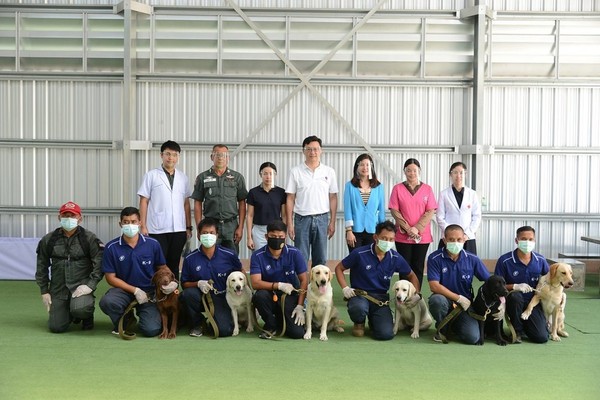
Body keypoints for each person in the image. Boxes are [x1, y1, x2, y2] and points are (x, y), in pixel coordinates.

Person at [335, 220, 421, 340]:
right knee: (358, 308)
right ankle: (359, 323)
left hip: (380, 299)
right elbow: (339, 268)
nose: (388, 242)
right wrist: (345, 288)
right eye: (384, 238)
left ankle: (373, 321)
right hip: (360, 296)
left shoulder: (395, 257)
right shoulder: (360, 253)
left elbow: (411, 275)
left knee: (385, 334)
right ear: (375, 237)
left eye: (391, 239)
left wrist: (416, 294)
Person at [35, 201, 104, 333]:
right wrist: (44, 291)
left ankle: (86, 315)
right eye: (65, 215)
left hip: (80, 287)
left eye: (72, 216)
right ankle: (69, 313)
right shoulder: (48, 239)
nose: (69, 219)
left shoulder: (89, 238)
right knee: (56, 327)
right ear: (59, 217)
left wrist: (90, 285)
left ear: (80, 218)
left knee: (81, 309)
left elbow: (99, 264)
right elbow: (41, 266)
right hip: (58, 289)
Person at [99, 207, 166, 337]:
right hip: (123, 291)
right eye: (126, 222)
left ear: (140, 223)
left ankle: (146, 317)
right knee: (107, 301)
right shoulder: (111, 247)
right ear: (120, 224)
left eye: (134, 221)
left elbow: (162, 268)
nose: (130, 225)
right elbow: (110, 278)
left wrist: (169, 282)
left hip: (149, 294)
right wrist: (135, 290)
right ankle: (125, 320)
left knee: (151, 330)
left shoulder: (153, 244)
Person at [427, 224, 490, 344]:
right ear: (444, 240)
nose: (455, 242)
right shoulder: (434, 258)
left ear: (464, 239)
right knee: (437, 301)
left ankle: (454, 324)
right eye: (451, 240)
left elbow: (489, 281)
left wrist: (500, 301)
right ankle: (442, 328)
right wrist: (458, 298)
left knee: (472, 338)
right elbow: (434, 286)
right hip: (444, 300)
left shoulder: (472, 259)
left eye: (459, 239)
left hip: (465, 306)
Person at [138, 140, 192, 280]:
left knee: (174, 264)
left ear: (178, 157)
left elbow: (186, 203)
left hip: (178, 229)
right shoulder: (151, 175)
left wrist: (188, 226)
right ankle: (156, 296)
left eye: (174, 155)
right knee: (158, 264)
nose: (171, 158)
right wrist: (143, 225)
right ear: (161, 155)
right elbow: (144, 200)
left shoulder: (183, 178)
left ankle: (173, 296)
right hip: (157, 229)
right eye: (168, 154)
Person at [180, 217, 242, 337]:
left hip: (222, 298)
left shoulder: (229, 255)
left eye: (211, 233)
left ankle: (216, 321)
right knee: (188, 294)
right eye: (204, 233)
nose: (208, 236)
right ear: (198, 235)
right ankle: (198, 323)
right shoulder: (190, 258)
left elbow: (240, 272)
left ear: (217, 235)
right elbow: (184, 284)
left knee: (224, 331)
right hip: (200, 297)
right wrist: (198, 283)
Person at [285, 135, 338, 267]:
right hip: (301, 220)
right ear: (303, 151)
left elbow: (333, 197)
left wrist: (332, 222)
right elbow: (290, 198)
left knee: (320, 259)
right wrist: (290, 224)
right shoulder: (295, 171)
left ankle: (318, 288)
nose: (312, 152)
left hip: (322, 219)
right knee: (300, 259)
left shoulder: (329, 171)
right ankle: (301, 287)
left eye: (315, 149)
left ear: (321, 151)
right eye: (309, 149)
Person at [250, 219, 308, 339]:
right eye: (273, 236)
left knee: (297, 334)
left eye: (280, 236)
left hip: (289, 296)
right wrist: (278, 285)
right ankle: (271, 325)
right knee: (259, 296)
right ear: (266, 237)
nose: (277, 239)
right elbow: (255, 283)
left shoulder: (295, 253)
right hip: (269, 295)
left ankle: (282, 321)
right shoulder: (257, 256)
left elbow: (304, 280)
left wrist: (300, 305)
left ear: (285, 237)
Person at [494, 226, 549, 343]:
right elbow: (496, 285)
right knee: (515, 296)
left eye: (531, 239)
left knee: (541, 337)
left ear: (535, 241)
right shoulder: (505, 260)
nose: (527, 242)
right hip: (511, 302)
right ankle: (517, 331)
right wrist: (514, 286)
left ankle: (527, 326)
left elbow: (548, 280)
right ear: (516, 240)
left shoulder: (541, 260)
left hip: (533, 303)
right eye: (523, 239)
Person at [191, 144, 248, 254]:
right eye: (217, 154)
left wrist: (240, 227)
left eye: (224, 155)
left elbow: (242, 203)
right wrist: (199, 228)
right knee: (209, 256)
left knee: (232, 258)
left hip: (231, 226)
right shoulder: (202, 177)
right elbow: (197, 203)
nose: (221, 157)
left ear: (228, 158)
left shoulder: (237, 177)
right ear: (212, 157)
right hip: (210, 225)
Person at [389, 158, 437, 287]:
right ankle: (403, 295)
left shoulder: (427, 189)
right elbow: (394, 210)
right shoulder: (397, 189)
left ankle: (416, 294)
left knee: (418, 265)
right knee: (404, 266)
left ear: (419, 171)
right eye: (408, 170)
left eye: (414, 170)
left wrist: (416, 228)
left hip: (422, 236)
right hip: (402, 235)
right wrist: (407, 228)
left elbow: (430, 211)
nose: (412, 173)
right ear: (404, 172)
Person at [343, 153, 386, 253]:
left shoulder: (379, 187)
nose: (365, 167)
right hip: (355, 231)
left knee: (371, 261)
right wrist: (349, 231)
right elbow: (347, 209)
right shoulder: (350, 186)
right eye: (362, 164)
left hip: (373, 231)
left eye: (367, 165)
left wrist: (382, 233)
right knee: (356, 261)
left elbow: (381, 211)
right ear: (357, 167)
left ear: (371, 167)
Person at [436, 161, 481, 254]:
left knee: (468, 265)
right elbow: (440, 217)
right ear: (450, 175)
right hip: (449, 239)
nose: (458, 175)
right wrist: (450, 233)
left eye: (461, 172)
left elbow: (477, 216)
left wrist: (467, 234)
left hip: (467, 238)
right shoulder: (444, 194)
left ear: (465, 174)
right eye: (455, 172)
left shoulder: (472, 194)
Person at [246, 162, 286, 252]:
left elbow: (284, 216)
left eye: (271, 174)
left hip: (276, 231)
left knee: (276, 255)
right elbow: (249, 215)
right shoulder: (253, 192)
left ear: (275, 175)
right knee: (260, 255)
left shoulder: (281, 192)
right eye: (265, 173)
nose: (268, 176)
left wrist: (284, 233)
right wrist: (249, 237)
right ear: (261, 175)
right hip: (259, 230)